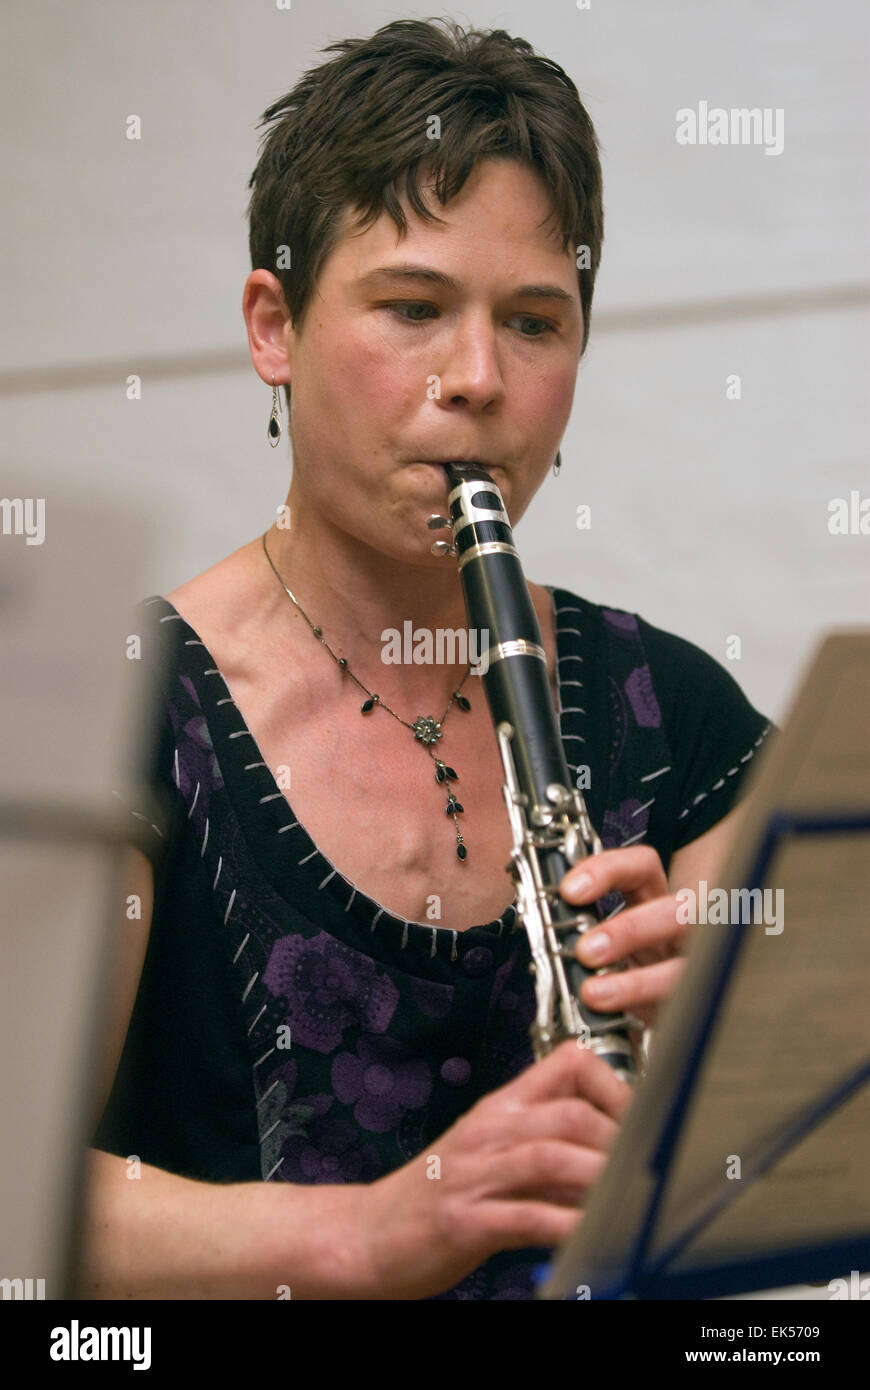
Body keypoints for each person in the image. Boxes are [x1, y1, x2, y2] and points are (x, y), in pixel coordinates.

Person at [82, 18, 774, 1300]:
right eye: (412, 308)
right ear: (273, 325)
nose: (477, 379)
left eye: (534, 322)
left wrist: (743, 1065)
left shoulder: (672, 709)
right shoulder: (108, 709)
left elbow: (807, 1134)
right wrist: (367, 1236)